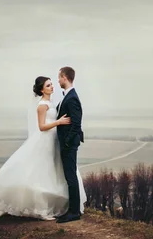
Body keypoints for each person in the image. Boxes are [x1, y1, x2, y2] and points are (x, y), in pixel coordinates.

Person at [0, 76, 86, 220]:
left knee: (55, 170)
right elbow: (41, 127)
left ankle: (62, 205)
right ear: (42, 90)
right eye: (48, 85)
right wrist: (58, 122)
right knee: (43, 171)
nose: (52, 87)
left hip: (54, 139)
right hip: (46, 139)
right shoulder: (42, 105)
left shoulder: (51, 103)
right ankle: (41, 207)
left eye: (52, 84)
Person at [55, 66, 84, 223]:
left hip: (69, 145)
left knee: (71, 177)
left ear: (65, 77)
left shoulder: (72, 97)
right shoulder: (68, 96)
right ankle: (72, 210)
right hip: (68, 144)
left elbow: (76, 125)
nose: (58, 80)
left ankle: (74, 212)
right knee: (69, 177)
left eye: (59, 77)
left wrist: (66, 144)